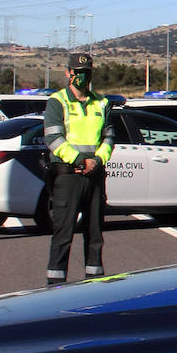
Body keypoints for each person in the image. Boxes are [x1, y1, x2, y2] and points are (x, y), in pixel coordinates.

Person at [43, 52, 115, 285]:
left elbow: (109, 138)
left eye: (87, 73)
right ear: (68, 73)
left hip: (94, 176)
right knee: (64, 233)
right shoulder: (57, 101)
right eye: (78, 72)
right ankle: (56, 284)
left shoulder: (102, 103)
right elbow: (53, 138)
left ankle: (95, 282)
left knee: (95, 233)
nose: (82, 77)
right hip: (68, 175)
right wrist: (79, 160)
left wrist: (97, 160)